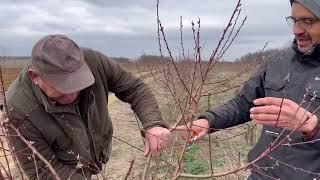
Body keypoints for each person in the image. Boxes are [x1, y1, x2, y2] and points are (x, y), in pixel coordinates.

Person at [175, 0, 320, 179]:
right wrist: (208, 121)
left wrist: (313, 126)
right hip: (263, 172)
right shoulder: (277, 62)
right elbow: (244, 103)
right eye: (294, 20)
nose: (296, 30)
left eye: (308, 21)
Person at [5, 34, 170, 179]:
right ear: (35, 77)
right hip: (66, 169)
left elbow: (134, 88)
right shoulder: (16, 110)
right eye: (63, 88)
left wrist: (153, 123)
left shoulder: (93, 61)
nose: (72, 94)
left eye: (77, 84)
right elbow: (44, 172)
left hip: (95, 156)